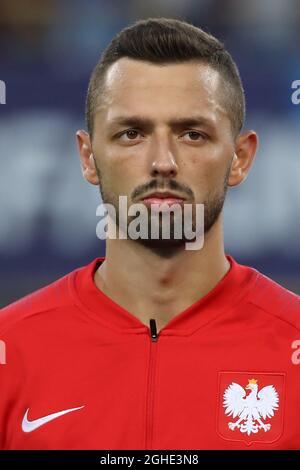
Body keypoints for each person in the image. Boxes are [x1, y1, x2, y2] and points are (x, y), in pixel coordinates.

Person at [0, 17, 299, 451]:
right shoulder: (11, 351)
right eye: (132, 134)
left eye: (192, 134)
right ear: (87, 157)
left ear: (240, 158)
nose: (162, 161)